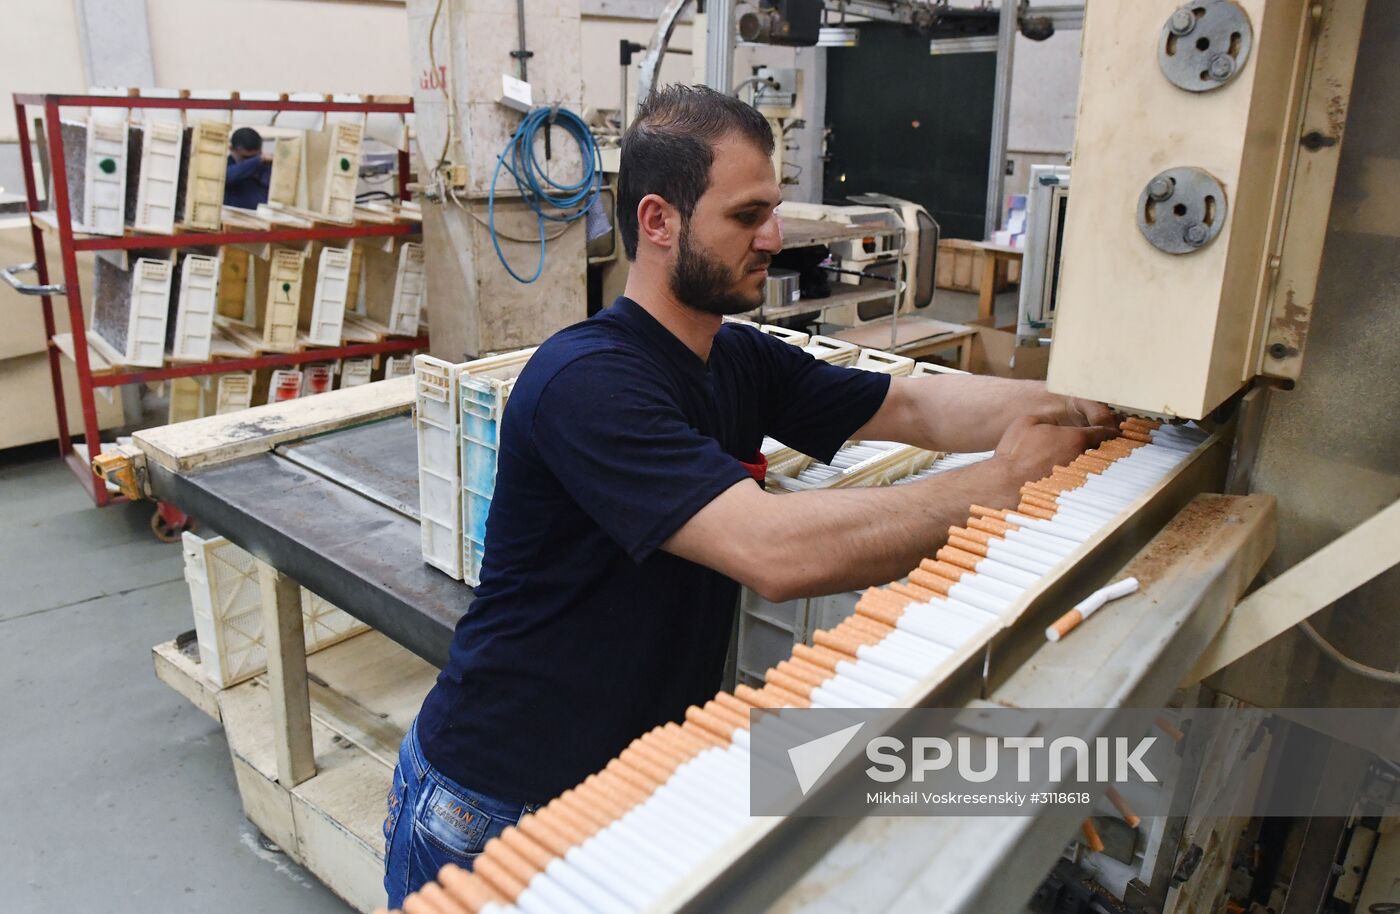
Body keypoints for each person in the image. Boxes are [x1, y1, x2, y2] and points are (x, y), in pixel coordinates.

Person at [382, 85, 1117, 905]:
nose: (773, 237)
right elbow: (774, 551)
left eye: (773, 210)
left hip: (630, 787)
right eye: (747, 216)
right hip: (498, 803)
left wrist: (1089, 403)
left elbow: (913, 407)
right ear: (658, 221)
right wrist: (1007, 483)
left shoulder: (737, 359)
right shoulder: (588, 382)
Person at [225, 126, 271, 209]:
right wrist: (258, 159)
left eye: (254, 156)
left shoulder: (264, 165)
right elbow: (227, 176)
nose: (250, 161)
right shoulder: (226, 165)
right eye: (245, 158)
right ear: (231, 149)